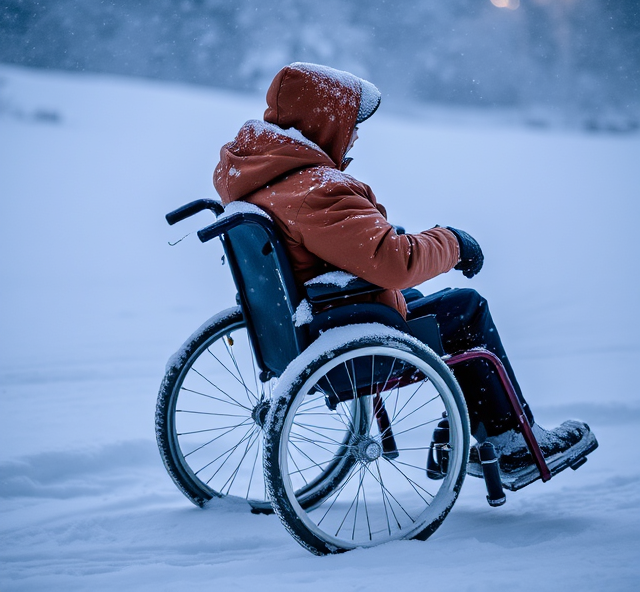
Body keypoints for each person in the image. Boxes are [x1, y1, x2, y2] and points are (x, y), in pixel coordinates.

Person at [213, 62, 597, 484]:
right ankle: (511, 442)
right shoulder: (316, 188)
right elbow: (395, 262)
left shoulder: (260, 175)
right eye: (350, 123)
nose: (356, 134)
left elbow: (342, 243)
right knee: (465, 309)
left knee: (426, 306)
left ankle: (473, 423)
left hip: (305, 317)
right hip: (338, 330)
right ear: (324, 122)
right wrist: (451, 242)